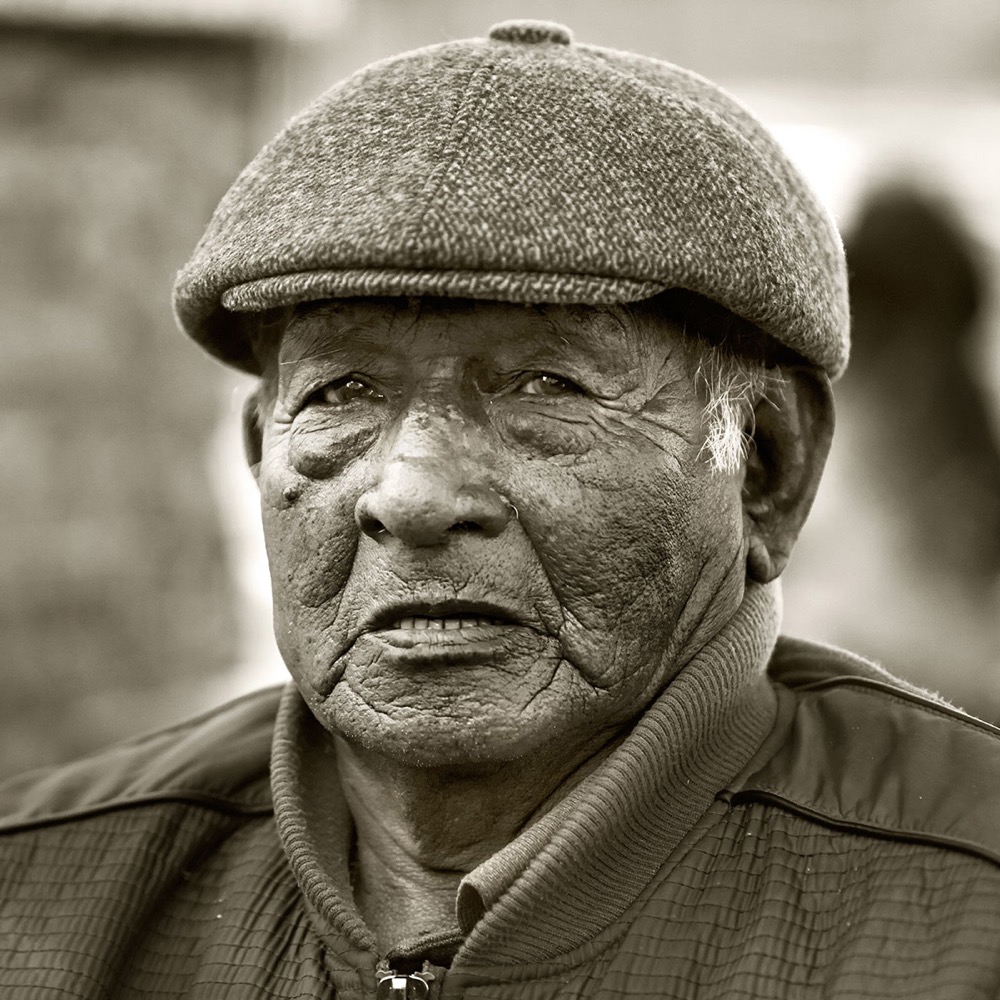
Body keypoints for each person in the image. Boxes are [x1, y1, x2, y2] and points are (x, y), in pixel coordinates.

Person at [2, 19, 1000, 999]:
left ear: (769, 467)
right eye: (342, 391)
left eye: (545, 386)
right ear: (262, 449)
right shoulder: (38, 889)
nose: (413, 495)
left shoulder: (964, 914)